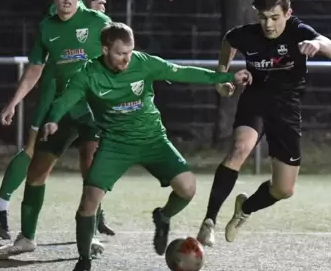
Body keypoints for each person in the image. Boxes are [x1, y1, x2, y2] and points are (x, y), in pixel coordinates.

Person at [39, 22, 252, 271]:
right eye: (120, 53)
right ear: (105, 49)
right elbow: (65, 99)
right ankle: (84, 260)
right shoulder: (88, 74)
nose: (127, 59)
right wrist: (53, 119)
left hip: (153, 139)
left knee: (188, 189)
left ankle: (163, 217)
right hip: (115, 144)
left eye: (130, 52)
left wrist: (227, 76)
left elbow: (182, 72)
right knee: (89, 201)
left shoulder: (144, 63)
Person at [196, 0, 331, 247]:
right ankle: (209, 222)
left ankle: (245, 208)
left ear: (288, 13)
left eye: (275, 17)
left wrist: (317, 43)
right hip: (255, 101)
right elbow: (228, 42)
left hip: (287, 109)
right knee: (239, 149)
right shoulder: (247, 35)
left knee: (283, 190)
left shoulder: (299, 31)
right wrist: (222, 77)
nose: (269, 24)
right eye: (263, 17)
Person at [0, 0, 114, 241]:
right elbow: (39, 64)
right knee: (34, 156)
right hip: (55, 94)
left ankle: (93, 219)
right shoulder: (53, 16)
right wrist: (13, 103)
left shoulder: (92, 15)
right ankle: (2, 204)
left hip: (87, 100)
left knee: (91, 155)